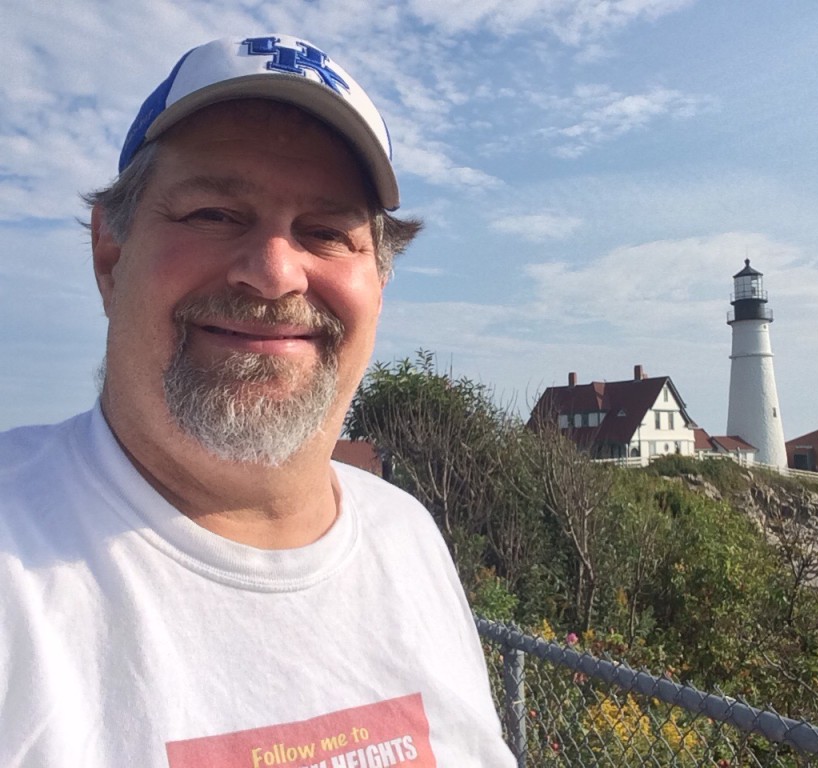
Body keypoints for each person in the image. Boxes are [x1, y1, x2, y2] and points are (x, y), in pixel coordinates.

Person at [0, 34, 515, 766]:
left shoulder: (407, 541)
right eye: (213, 213)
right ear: (110, 256)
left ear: (380, 281)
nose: (275, 274)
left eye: (328, 232)